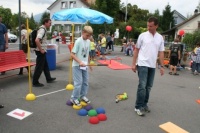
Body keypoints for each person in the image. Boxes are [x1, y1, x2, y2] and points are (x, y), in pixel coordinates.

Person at [132, 17, 165, 116]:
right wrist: (133, 64)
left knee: (149, 86)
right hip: (142, 64)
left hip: (152, 65)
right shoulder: (142, 36)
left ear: (156, 26)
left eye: (151, 26)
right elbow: (136, 49)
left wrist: (162, 66)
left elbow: (161, 52)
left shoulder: (160, 38)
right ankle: (138, 107)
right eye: (148, 25)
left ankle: (144, 104)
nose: (148, 27)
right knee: (142, 86)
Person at [70, 26, 93, 106]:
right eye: (87, 35)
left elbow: (87, 54)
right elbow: (72, 54)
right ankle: (74, 98)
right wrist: (79, 62)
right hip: (77, 65)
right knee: (78, 83)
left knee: (85, 82)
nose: (88, 37)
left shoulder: (89, 41)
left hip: (85, 65)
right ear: (83, 32)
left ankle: (82, 96)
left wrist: (89, 64)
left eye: (89, 36)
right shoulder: (78, 41)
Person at [32, 18, 56, 87]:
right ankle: (35, 82)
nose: (50, 24)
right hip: (40, 51)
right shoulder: (42, 30)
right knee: (39, 67)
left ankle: (48, 78)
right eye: (49, 23)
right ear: (45, 23)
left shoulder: (43, 29)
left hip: (42, 51)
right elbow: (37, 40)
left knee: (45, 65)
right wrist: (41, 49)